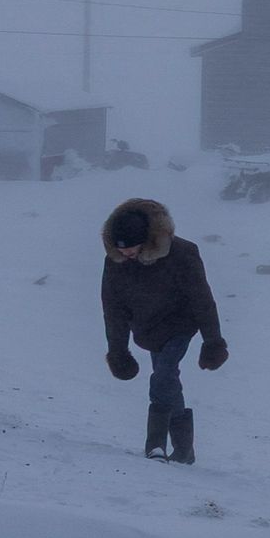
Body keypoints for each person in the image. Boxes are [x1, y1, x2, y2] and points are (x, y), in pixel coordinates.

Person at [100, 197, 225, 463]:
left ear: (146, 240)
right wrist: (118, 351)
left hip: (181, 324)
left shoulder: (182, 254)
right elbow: (114, 309)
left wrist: (213, 341)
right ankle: (184, 450)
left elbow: (202, 299)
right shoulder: (116, 263)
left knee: (163, 375)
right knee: (168, 382)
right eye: (121, 251)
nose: (126, 255)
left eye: (131, 249)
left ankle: (155, 446)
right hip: (147, 329)